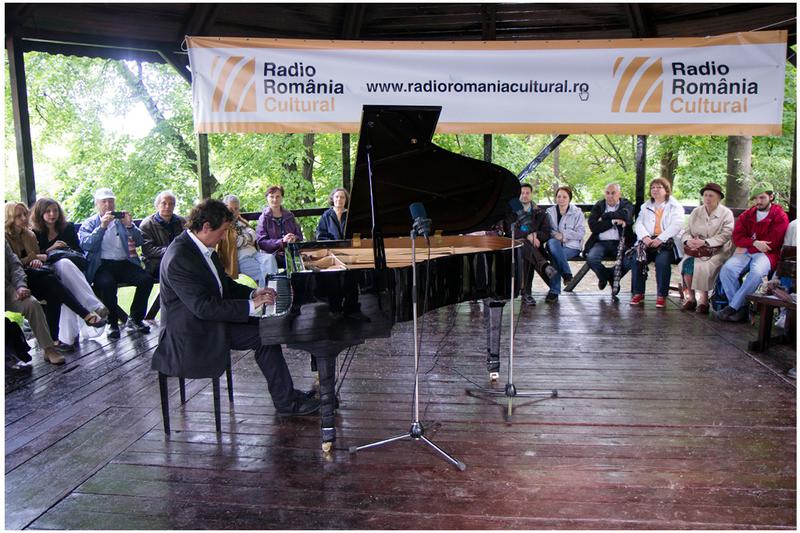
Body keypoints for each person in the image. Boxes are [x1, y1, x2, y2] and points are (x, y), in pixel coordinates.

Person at [151, 199, 319, 416]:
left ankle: (287, 396)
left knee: (268, 329)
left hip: (210, 320)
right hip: (193, 332)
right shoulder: (179, 257)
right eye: (222, 231)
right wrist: (251, 305)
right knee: (264, 337)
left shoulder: (200, 247)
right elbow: (203, 308)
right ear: (206, 227)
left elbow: (224, 284)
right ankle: (286, 403)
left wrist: (253, 293)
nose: (224, 237)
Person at [6, 202, 105, 347]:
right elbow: (13, 265)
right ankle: (86, 314)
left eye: (25, 214)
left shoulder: (29, 234)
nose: (23, 218)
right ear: (9, 218)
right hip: (15, 283)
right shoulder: (6, 238)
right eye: (18, 216)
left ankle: (55, 339)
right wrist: (33, 258)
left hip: (35, 275)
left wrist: (36, 260)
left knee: (54, 287)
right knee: (54, 282)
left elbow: (39, 257)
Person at [79, 187, 154, 338]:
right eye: (104, 202)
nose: (108, 205)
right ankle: (112, 323)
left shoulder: (121, 220)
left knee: (146, 280)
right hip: (101, 265)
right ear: (97, 204)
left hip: (124, 263)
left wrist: (130, 226)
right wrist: (102, 227)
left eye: (111, 201)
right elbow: (87, 245)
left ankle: (135, 319)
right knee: (107, 284)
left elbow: (140, 241)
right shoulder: (90, 223)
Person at [716, 182, 789, 322]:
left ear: (771, 197)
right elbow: (737, 237)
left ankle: (733, 308)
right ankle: (741, 308)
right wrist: (754, 243)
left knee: (757, 272)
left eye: (762, 197)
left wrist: (747, 243)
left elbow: (773, 243)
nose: (758, 201)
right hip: (747, 250)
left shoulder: (779, 215)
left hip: (767, 255)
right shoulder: (748, 215)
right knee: (727, 269)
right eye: (755, 198)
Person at [626, 178, 684, 307]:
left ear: (666, 190)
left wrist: (660, 239)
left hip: (667, 242)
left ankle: (661, 295)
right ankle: (638, 293)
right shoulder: (645, 206)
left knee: (662, 262)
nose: (655, 190)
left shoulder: (675, 206)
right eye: (653, 187)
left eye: (659, 187)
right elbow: (638, 223)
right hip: (647, 242)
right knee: (637, 259)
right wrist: (645, 237)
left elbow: (677, 225)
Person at [678, 183, 734, 314]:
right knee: (687, 264)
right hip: (696, 250)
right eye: (705, 195)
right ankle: (691, 298)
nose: (707, 198)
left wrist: (706, 242)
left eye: (711, 196)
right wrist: (688, 240)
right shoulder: (696, 212)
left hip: (717, 251)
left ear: (718, 198)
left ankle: (704, 300)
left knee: (702, 266)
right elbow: (687, 231)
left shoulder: (726, 213)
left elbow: (726, 234)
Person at [5, 242, 63, 365]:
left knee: (32, 304)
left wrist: (20, 286)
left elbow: (15, 265)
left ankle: (48, 348)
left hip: (7, 289)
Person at [501, 183, 557, 306]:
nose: (524, 195)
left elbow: (546, 232)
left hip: (535, 248)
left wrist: (535, 235)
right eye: (522, 193)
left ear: (531, 195)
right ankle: (544, 266)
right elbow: (511, 232)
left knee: (526, 253)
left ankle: (526, 294)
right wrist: (528, 235)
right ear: (518, 195)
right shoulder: (511, 211)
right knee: (523, 246)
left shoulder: (540, 212)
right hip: (514, 247)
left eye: (527, 193)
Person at [583, 183, 635, 294]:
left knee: (631, 259)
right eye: (607, 193)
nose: (610, 196)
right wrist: (613, 222)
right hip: (601, 243)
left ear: (619, 194)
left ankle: (609, 276)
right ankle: (607, 276)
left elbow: (626, 216)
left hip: (622, 242)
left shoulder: (626, 204)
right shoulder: (599, 206)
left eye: (613, 193)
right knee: (591, 258)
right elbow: (593, 226)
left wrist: (605, 216)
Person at [218, 194, 277, 286]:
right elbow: (235, 241)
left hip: (254, 253)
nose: (234, 212)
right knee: (266, 271)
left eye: (236, 209)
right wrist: (247, 239)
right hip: (240, 258)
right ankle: (270, 291)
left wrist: (244, 239)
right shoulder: (224, 225)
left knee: (270, 258)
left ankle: (269, 289)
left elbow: (253, 234)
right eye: (231, 209)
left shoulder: (241, 222)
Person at [544, 186, 585, 303]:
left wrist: (564, 235)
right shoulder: (549, 212)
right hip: (554, 244)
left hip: (572, 246)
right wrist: (555, 235)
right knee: (552, 243)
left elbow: (581, 233)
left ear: (569, 199)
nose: (561, 199)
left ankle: (554, 292)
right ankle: (567, 274)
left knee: (555, 258)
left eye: (564, 197)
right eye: (559, 196)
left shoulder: (577, 212)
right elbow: (547, 230)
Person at [139, 190, 186, 280]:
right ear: (157, 205)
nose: (167, 206)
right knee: (178, 270)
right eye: (164, 203)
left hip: (178, 259)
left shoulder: (181, 222)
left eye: (171, 204)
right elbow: (148, 250)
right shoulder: (147, 224)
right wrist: (170, 251)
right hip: (155, 262)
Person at [256, 185, 304, 267]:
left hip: (291, 252)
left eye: (278, 196)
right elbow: (261, 242)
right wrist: (281, 241)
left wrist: (294, 238)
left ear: (282, 198)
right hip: (273, 255)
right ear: (267, 198)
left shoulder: (289, 216)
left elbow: (300, 236)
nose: (275, 199)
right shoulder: (263, 218)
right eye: (271, 197)